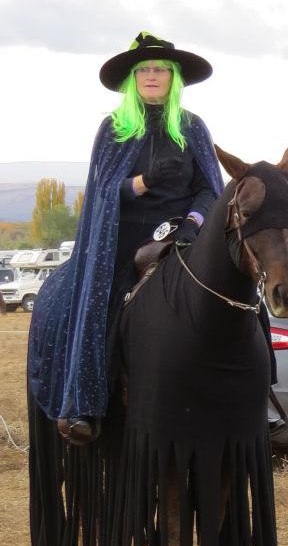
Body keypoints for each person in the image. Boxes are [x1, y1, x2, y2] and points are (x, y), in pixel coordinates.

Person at [27, 31, 222, 444]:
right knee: (102, 301)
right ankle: (84, 404)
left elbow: (210, 186)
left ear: (173, 78)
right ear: (133, 78)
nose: (152, 76)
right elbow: (102, 191)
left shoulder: (193, 128)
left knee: (236, 296)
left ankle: (258, 397)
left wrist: (192, 221)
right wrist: (142, 182)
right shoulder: (114, 130)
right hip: (125, 238)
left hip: (181, 236)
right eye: (144, 70)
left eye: (160, 70)